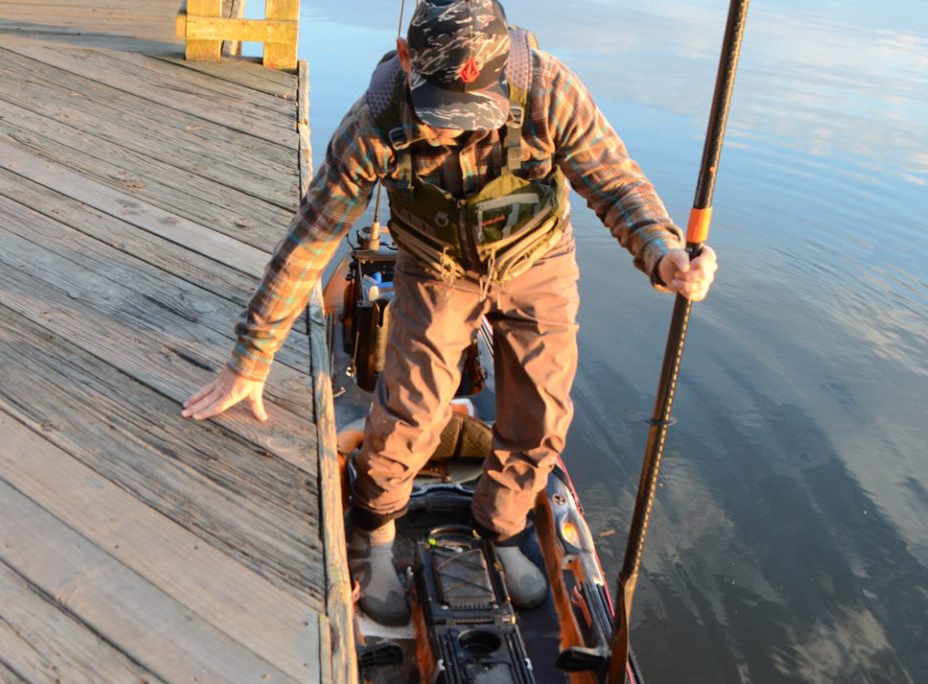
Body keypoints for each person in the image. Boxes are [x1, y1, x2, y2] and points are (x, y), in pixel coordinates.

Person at [182, 0, 717, 626]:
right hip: (436, 266)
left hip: (538, 261)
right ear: (408, 60)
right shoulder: (376, 120)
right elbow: (312, 240)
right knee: (411, 406)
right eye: (441, 113)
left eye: (473, 113)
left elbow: (617, 185)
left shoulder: (549, 87)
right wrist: (251, 357)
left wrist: (664, 255)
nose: (454, 130)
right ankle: (376, 527)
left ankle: (504, 522)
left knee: (543, 410)